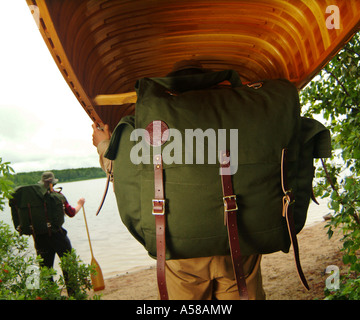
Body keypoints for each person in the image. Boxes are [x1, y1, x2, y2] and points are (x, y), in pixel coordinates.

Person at [92, 60, 266, 300]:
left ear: (170, 92)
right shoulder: (242, 116)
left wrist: (103, 144)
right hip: (240, 240)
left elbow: (123, 171)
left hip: (181, 248)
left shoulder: (154, 129)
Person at [34, 171, 85, 294]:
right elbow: (71, 213)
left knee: (46, 269)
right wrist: (80, 204)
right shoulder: (58, 196)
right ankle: (73, 293)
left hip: (39, 238)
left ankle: (51, 295)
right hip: (57, 235)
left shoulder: (34, 199)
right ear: (52, 183)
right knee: (68, 264)